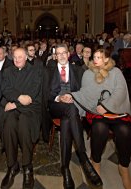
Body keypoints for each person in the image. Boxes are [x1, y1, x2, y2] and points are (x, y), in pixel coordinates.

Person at [64, 48, 131, 189]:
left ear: (107, 59)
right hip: (96, 111)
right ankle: (95, 161)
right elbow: (86, 93)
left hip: (116, 111)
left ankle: (124, 167)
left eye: (99, 57)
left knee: (125, 130)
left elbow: (120, 91)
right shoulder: (88, 73)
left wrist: (106, 105)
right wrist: (72, 95)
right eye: (94, 57)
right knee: (99, 128)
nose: (95, 60)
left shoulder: (116, 72)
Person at [48, 44, 102, 189]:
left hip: (73, 104)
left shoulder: (78, 70)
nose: (61, 56)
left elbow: (84, 91)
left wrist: (72, 96)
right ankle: (83, 157)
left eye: (64, 53)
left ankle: (65, 168)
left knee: (67, 121)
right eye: (58, 54)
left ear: (68, 53)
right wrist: (60, 98)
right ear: (55, 56)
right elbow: (47, 94)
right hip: (56, 105)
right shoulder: (49, 70)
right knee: (70, 110)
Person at [0, 48, 42, 189]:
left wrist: (14, 103)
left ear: (26, 57)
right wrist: (18, 98)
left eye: (20, 57)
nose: (17, 60)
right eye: (15, 57)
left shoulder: (34, 71)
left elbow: (30, 97)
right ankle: (12, 165)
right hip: (14, 108)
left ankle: (27, 166)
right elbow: (5, 89)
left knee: (24, 123)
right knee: (9, 124)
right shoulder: (7, 71)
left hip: (30, 110)